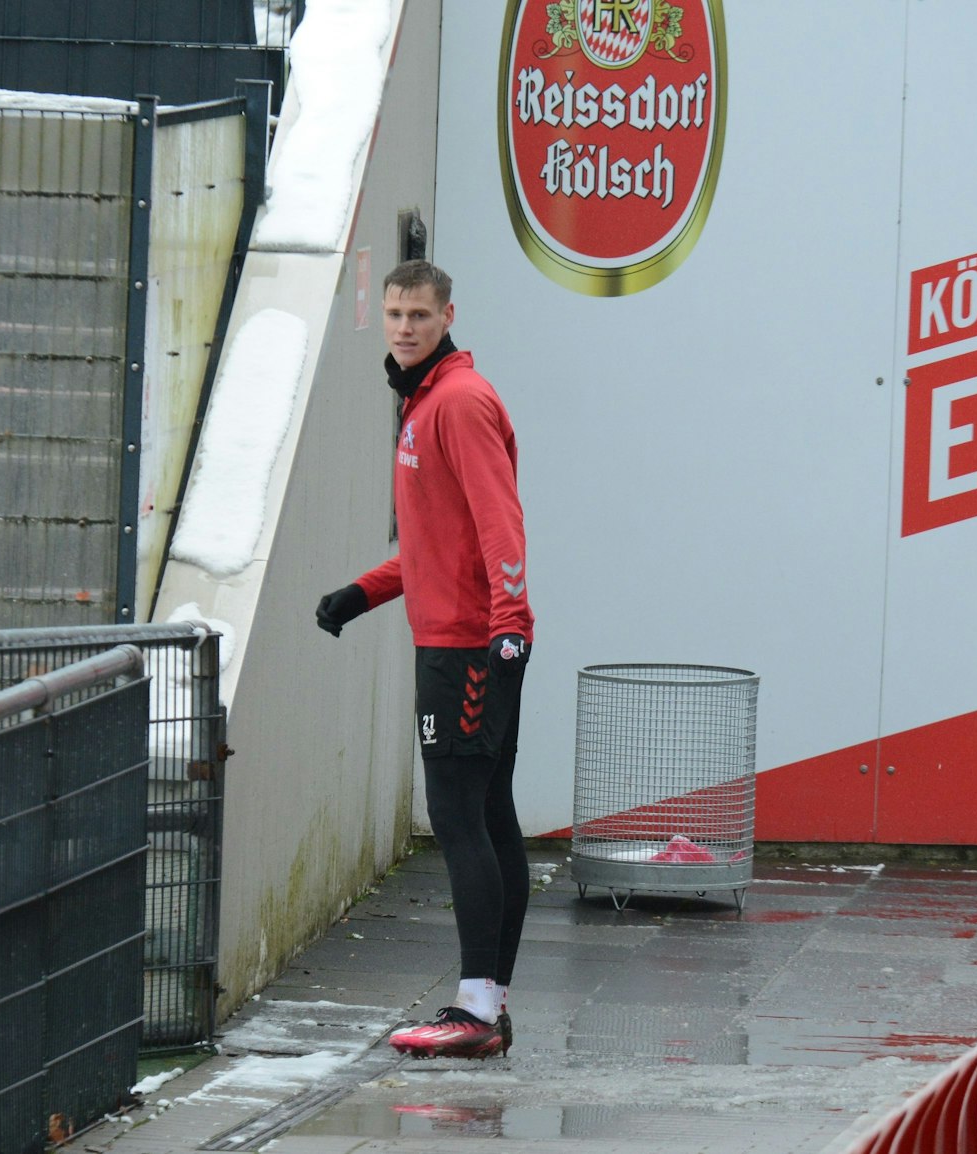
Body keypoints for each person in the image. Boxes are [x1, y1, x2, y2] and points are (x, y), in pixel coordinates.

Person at [315, 259, 534, 1060]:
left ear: (448, 315)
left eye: (420, 314)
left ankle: (475, 1012)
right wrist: (361, 593)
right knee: (486, 815)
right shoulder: (422, 402)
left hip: (470, 645)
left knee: (457, 817)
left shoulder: (460, 402)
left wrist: (508, 626)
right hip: (456, 637)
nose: (405, 326)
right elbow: (435, 544)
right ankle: (488, 1008)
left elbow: (496, 523)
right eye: (395, 313)